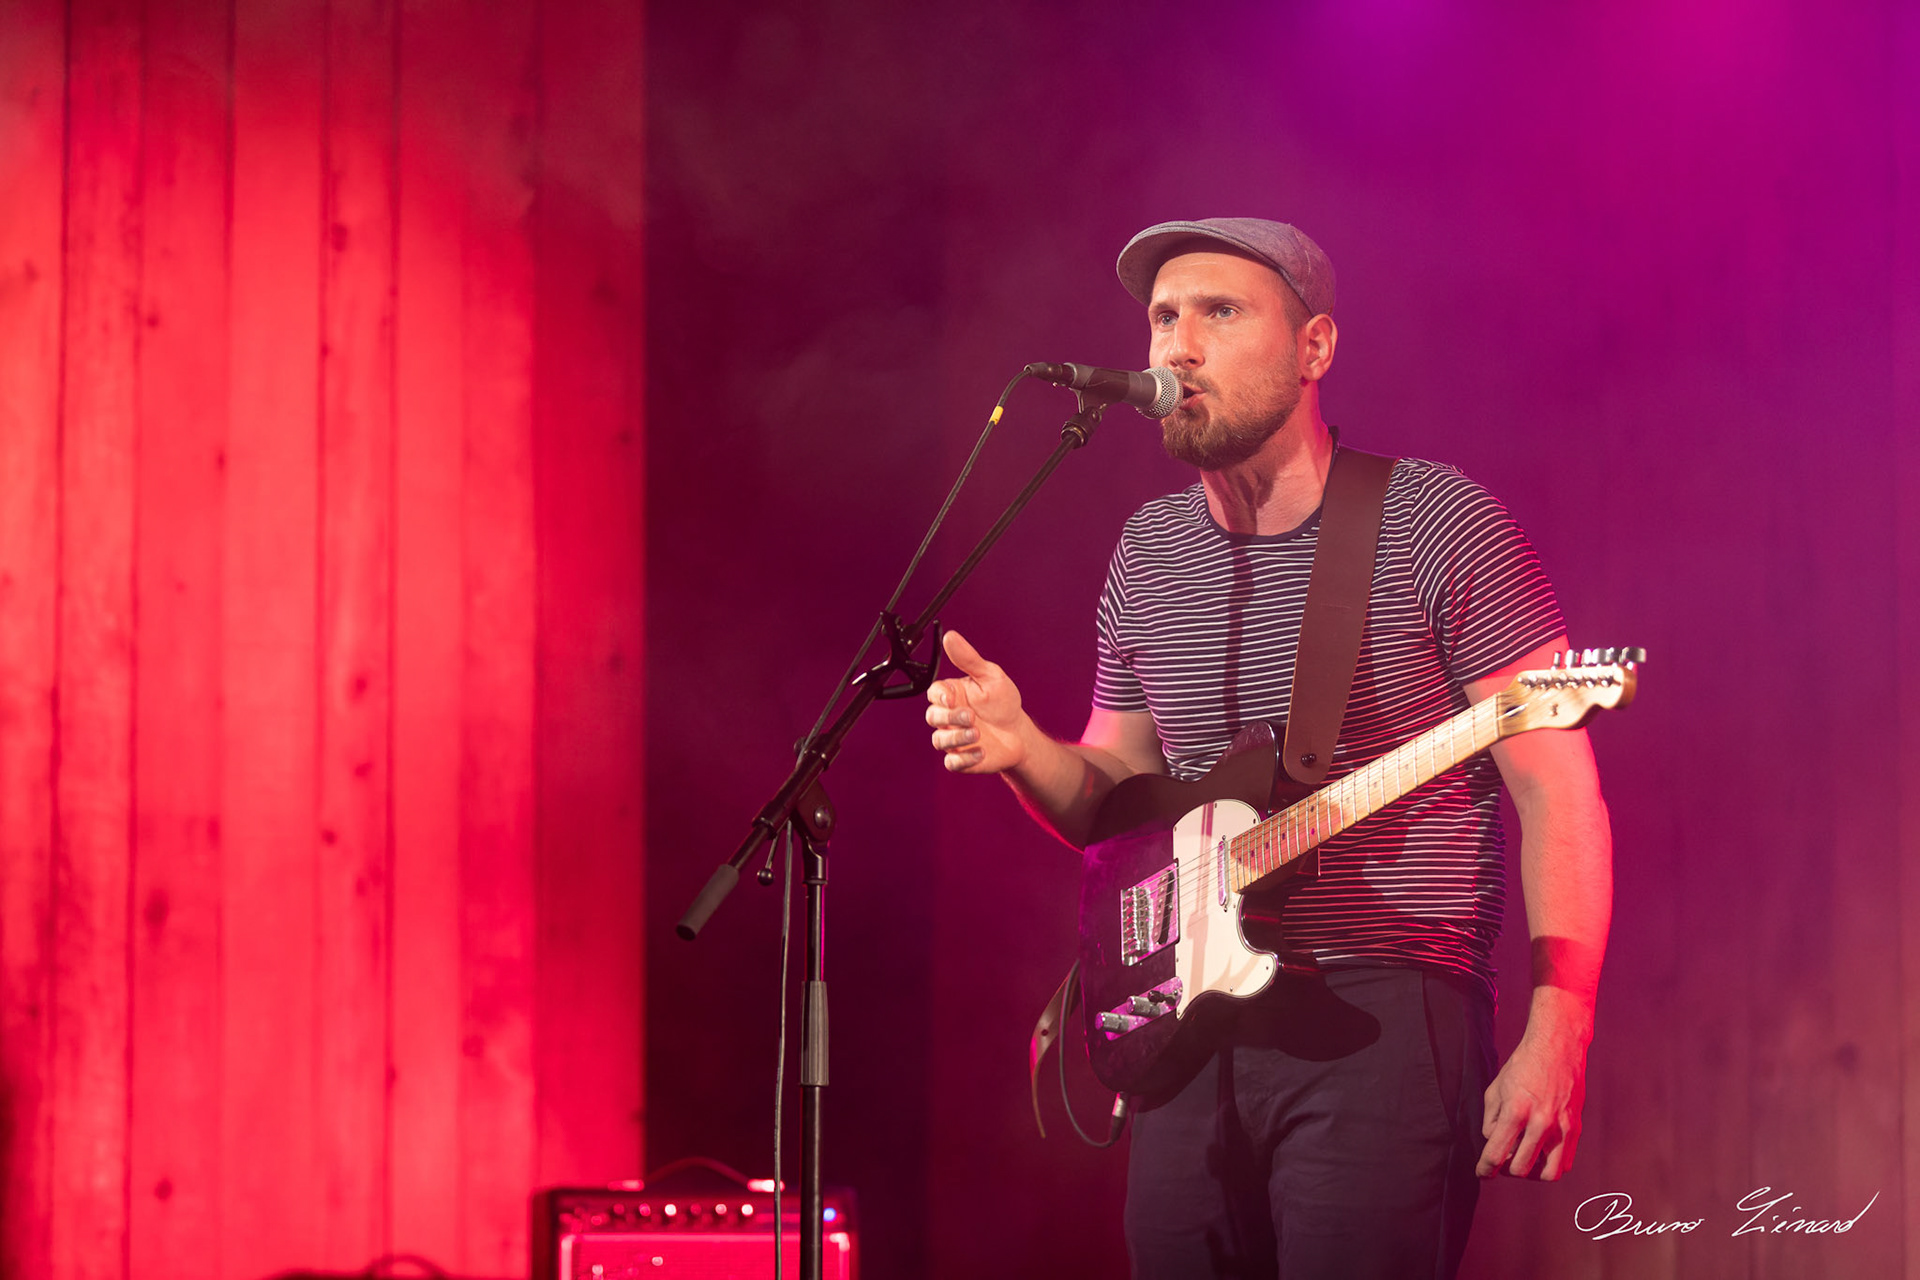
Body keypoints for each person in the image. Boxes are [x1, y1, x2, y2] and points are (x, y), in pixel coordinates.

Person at [924, 218, 1611, 1279]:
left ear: (1314, 348)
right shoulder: (1149, 551)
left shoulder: (1434, 520)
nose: (1178, 345)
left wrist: (1560, 1023)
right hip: (1189, 1029)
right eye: (1163, 318)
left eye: (1220, 312)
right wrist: (1022, 749)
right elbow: (1112, 799)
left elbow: (1557, 788)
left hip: (1383, 1011)